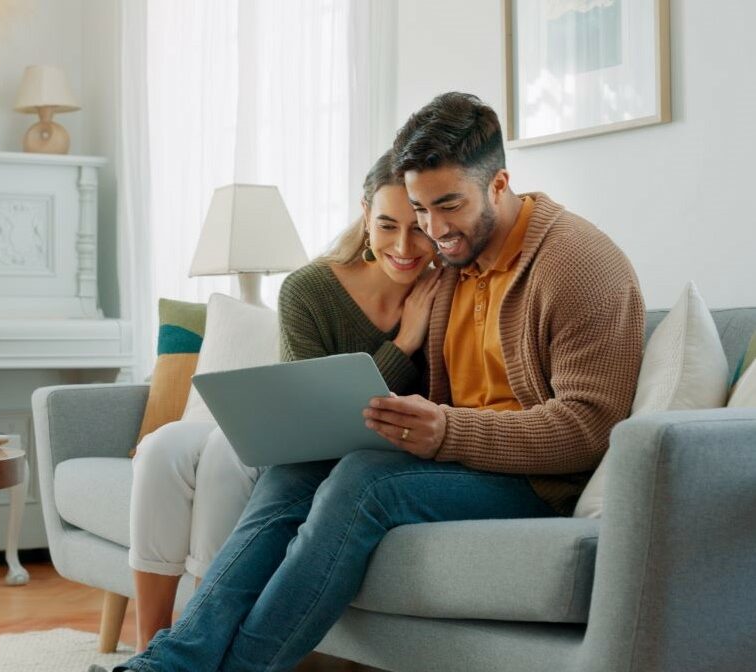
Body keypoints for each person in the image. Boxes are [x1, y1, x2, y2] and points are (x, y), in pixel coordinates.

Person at [99, 91, 644, 672]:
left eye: (448, 206)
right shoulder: (454, 263)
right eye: (419, 209)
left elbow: (590, 429)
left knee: (364, 480)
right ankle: (168, 663)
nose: (433, 231)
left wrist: (447, 432)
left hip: (538, 480)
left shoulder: (578, 264)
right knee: (296, 470)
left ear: (500, 183)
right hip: (460, 459)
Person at [125, 148, 440, 653]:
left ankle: (198, 648)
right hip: (298, 437)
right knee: (163, 448)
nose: (404, 245)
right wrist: (402, 345)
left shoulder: (444, 293)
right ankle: (151, 647)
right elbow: (311, 417)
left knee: (228, 457)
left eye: (418, 227)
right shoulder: (310, 288)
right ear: (365, 216)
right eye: (386, 225)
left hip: (353, 454)